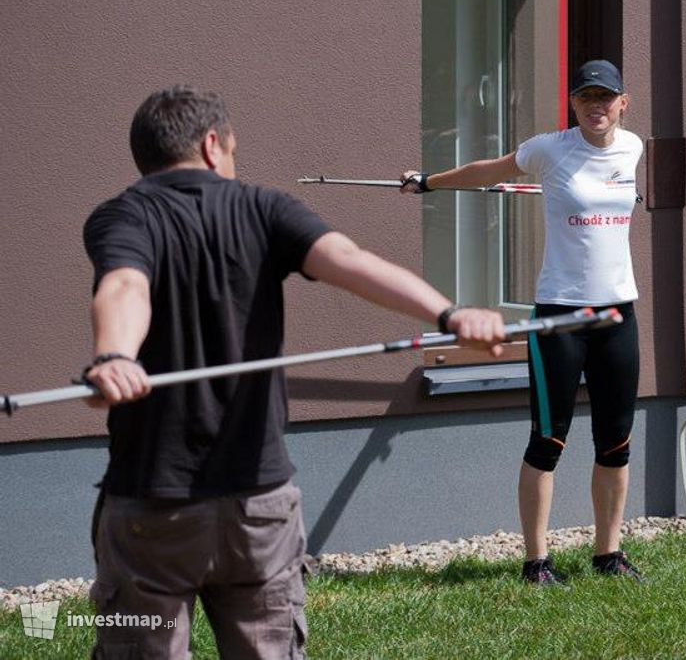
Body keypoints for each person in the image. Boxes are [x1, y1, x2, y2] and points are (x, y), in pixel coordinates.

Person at [82, 85, 506, 658]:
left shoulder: (117, 215)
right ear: (212, 145)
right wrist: (448, 313)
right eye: (232, 147)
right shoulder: (263, 206)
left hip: (153, 512)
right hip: (255, 509)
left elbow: (125, 284)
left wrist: (116, 355)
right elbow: (351, 262)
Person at [401, 59, 644, 586]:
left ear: (623, 102)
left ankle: (609, 555)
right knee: (548, 440)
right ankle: (536, 562)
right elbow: (489, 169)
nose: (596, 106)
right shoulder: (549, 149)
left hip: (618, 313)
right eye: (585, 98)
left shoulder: (634, 148)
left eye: (606, 98)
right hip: (559, 315)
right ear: (572, 104)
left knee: (616, 441)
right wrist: (430, 182)